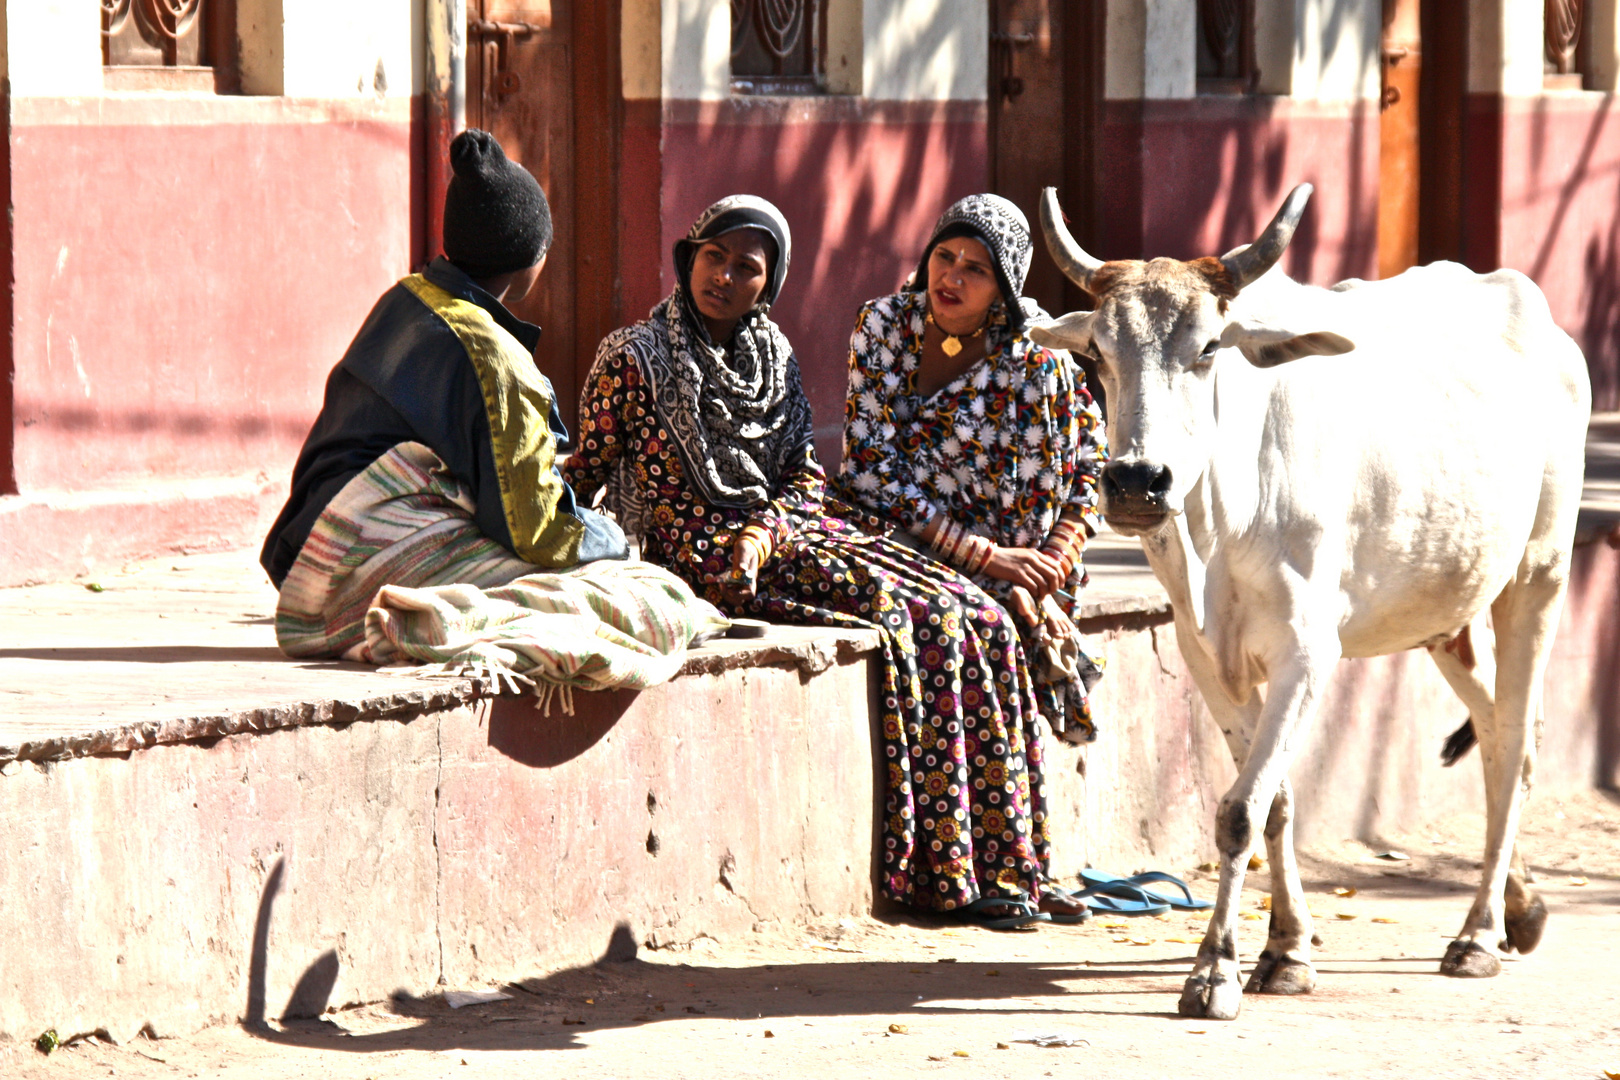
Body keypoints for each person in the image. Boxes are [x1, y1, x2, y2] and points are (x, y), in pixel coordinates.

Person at [564, 195, 1086, 928]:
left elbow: (806, 476)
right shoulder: (633, 357)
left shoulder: (772, 355)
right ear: (689, 259)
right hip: (707, 558)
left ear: (769, 285)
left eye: (746, 267)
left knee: (983, 613)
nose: (723, 277)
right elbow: (584, 466)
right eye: (712, 257)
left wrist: (767, 532)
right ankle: (944, 874)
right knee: (926, 620)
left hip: (788, 538)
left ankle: (1013, 867)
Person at [261, 128, 626, 659]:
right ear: (532, 257)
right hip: (356, 558)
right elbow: (539, 534)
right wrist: (607, 536)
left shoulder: (403, 298)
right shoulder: (498, 360)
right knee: (618, 587)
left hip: (303, 550)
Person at [832, 194, 1108, 744]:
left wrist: (1052, 562)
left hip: (1018, 551)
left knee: (1043, 371)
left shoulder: (1033, 354)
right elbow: (867, 468)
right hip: (900, 532)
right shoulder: (884, 325)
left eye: (975, 269)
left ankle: (1028, 599)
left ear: (1002, 285)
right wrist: (987, 559)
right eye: (944, 256)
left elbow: (1090, 461)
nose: (951, 276)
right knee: (957, 621)